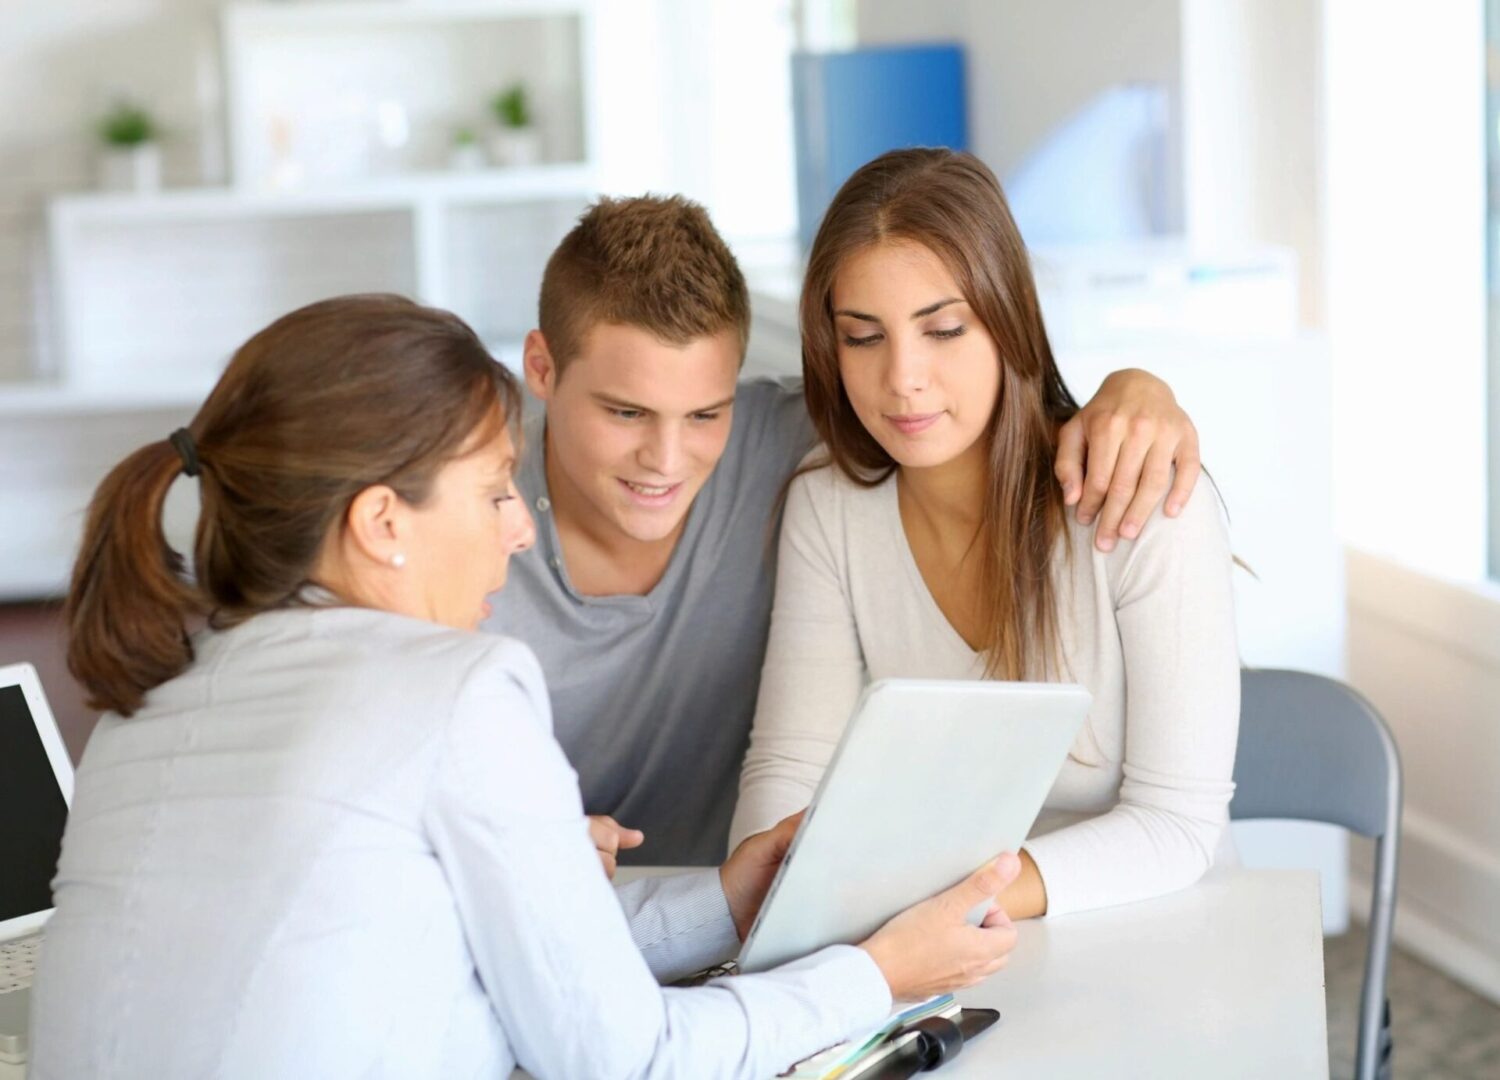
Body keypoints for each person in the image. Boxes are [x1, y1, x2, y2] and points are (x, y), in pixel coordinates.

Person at [30, 295, 1024, 1079]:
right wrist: (879, 974)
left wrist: (728, 902)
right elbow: (624, 1057)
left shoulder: (146, 703)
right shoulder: (454, 687)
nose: (518, 527)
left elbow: (510, 964)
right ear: (382, 524)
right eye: (497, 487)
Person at [487, 194, 1206, 867]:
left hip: (718, 911)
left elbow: (953, 405)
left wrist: (1138, 388)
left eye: (706, 413)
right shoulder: (456, 512)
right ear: (541, 369)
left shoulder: (797, 443)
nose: (667, 460)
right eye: (625, 413)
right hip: (528, 901)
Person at [730, 149, 1240, 919]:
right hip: (925, 939)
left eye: (942, 330)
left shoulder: (1142, 501)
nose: (903, 377)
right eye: (863, 337)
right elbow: (791, 766)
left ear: (1008, 322)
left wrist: (955, 907)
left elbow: (1176, 826)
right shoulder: (828, 505)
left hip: (1146, 926)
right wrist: (768, 905)